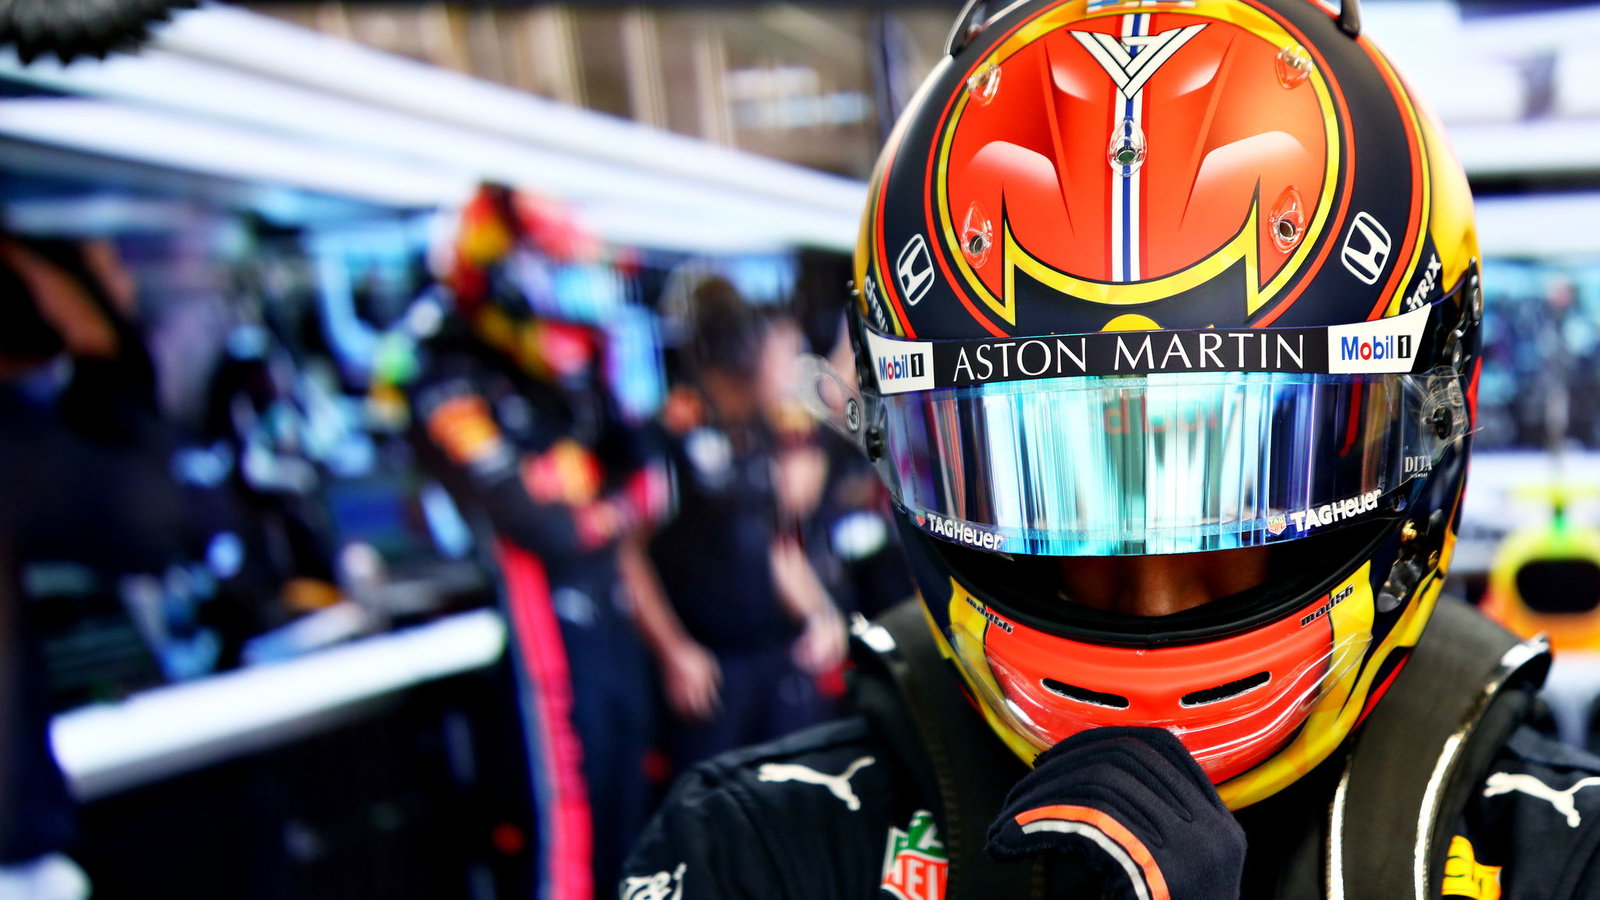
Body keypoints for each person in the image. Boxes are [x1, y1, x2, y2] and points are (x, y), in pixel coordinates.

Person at [621, 1, 1600, 897]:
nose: (1153, 596)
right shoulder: (755, 846)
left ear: (1435, 417)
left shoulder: (1559, 854)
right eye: (1052, 493)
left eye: (1247, 482)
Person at [630, 278, 846, 774]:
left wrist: (821, 614)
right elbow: (628, 552)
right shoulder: (674, 433)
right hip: (707, 668)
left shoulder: (765, 431)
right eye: (783, 355)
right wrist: (674, 651)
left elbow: (779, 545)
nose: (794, 370)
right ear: (744, 355)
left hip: (775, 656)